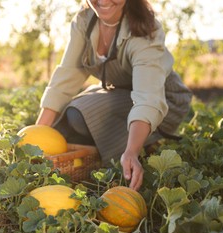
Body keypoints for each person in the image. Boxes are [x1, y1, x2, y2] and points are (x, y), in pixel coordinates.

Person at [36, 0, 192, 190]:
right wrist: (36, 137)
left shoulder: (144, 29)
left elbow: (148, 98)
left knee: (78, 116)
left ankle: (142, 144)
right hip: (121, 93)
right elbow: (68, 74)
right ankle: (100, 151)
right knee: (64, 123)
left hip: (164, 100)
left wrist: (132, 152)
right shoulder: (86, 19)